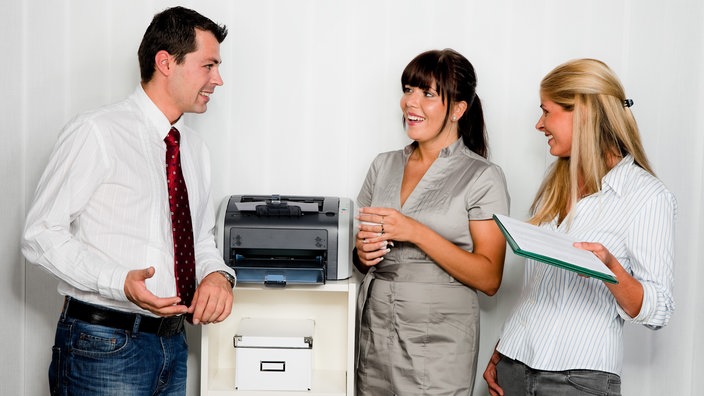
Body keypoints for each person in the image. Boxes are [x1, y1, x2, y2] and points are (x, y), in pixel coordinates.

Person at [21, 6, 236, 395]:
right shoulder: (97, 132)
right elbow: (41, 235)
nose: (218, 79)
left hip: (172, 345)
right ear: (165, 62)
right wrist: (119, 282)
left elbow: (200, 240)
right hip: (103, 346)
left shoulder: (195, 150)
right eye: (209, 65)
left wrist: (218, 277)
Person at [483, 59, 676, 396]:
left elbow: (658, 310)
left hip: (576, 381)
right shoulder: (557, 184)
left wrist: (611, 269)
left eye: (546, 111)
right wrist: (504, 347)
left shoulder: (647, 196)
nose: (538, 124)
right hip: (513, 367)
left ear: (583, 113)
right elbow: (542, 286)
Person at [354, 48, 510, 395]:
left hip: (440, 344)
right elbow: (359, 252)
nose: (411, 102)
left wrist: (415, 231)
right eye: (408, 89)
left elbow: (489, 278)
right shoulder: (383, 165)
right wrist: (362, 255)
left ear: (457, 109)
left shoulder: (482, 176)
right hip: (377, 333)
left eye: (427, 94)